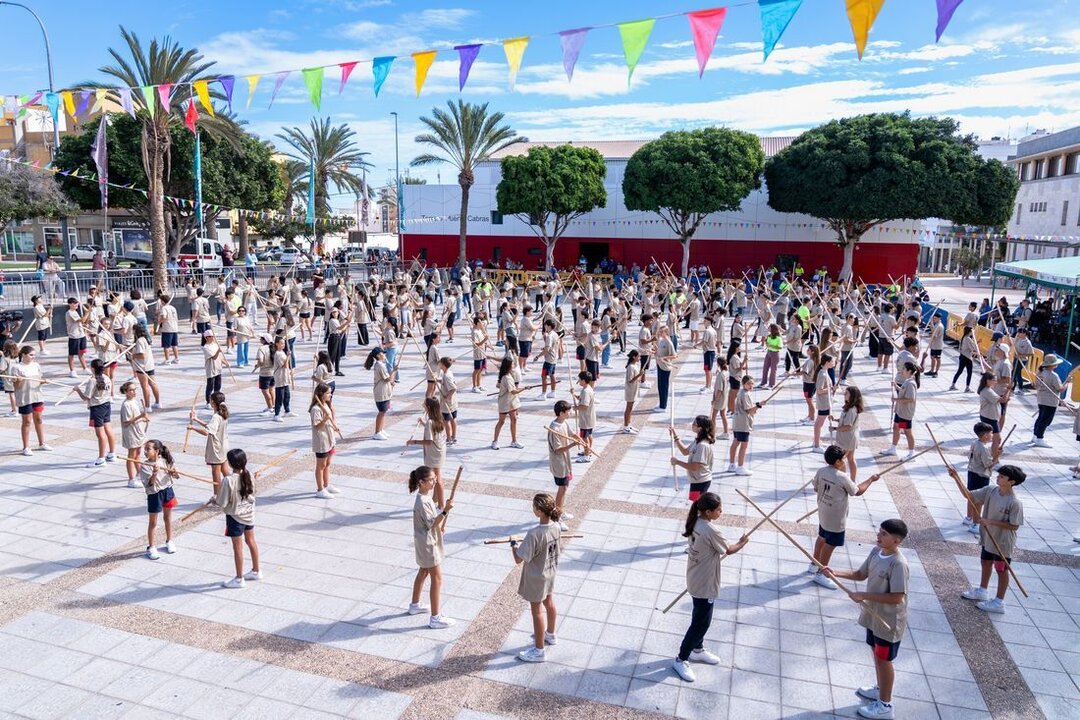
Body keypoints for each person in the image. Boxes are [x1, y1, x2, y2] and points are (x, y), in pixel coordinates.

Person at [822, 519, 910, 720]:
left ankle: (886, 705)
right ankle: (880, 689)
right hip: (873, 616)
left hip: (888, 621)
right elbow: (860, 574)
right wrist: (835, 571)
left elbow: (897, 597)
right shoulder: (875, 552)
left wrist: (863, 595)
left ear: (897, 541)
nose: (879, 536)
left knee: (884, 659)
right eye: (879, 532)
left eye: (884, 534)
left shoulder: (898, 564)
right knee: (875, 652)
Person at [671, 492, 749, 683]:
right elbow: (729, 549)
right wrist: (742, 542)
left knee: (699, 616)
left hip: (695, 576)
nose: (721, 512)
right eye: (719, 510)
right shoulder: (710, 530)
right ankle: (681, 658)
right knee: (701, 623)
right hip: (704, 582)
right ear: (708, 511)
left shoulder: (696, 521)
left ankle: (697, 649)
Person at [955, 465, 1026, 615]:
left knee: (1001, 569)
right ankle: (982, 590)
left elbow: (1014, 526)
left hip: (1002, 542)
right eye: (999, 475)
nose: (998, 477)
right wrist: (956, 478)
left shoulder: (1015, 502)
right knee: (985, 562)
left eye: (1002, 476)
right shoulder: (991, 490)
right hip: (988, 537)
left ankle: (999, 601)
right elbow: (968, 495)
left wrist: (991, 522)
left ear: (1011, 482)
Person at [810, 446, 880, 589]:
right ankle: (821, 573)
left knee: (822, 536)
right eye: (842, 459)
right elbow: (857, 491)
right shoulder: (842, 477)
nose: (844, 461)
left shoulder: (821, 471)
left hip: (823, 512)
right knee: (830, 544)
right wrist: (871, 480)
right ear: (837, 462)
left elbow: (815, 487)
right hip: (836, 518)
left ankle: (813, 563)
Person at [511, 493, 563, 663]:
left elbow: (519, 558)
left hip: (536, 576)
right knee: (549, 603)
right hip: (550, 572)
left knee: (537, 611)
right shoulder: (557, 527)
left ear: (539, 511)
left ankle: (539, 650)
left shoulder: (534, 533)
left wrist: (514, 545)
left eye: (534, 507)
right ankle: (551, 634)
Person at [407, 465, 456, 629]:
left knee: (424, 571)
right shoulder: (422, 501)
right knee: (437, 578)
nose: (434, 482)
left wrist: (440, 521)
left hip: (424, 540)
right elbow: (431, 523)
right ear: (421, 482)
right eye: (432, 480)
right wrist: (445, 512)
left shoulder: (425, 497)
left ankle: (414, 605)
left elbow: (432, 522)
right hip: (428, 543)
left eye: (435, 479)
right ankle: (435, 618)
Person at [214, 448, 261, 588]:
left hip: (235, 517)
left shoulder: (228, 480)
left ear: (230, 463)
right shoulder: (249, 475)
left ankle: (239, 578)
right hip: (249, 514)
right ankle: (256, 570)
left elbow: (222, 502)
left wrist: (214, 499)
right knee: (251, 541)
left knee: (238, 547)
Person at [139, 439, 180, 560]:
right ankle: (151, 547)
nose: (145, 451)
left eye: (148, 449)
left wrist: (175, 472)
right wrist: (155, 473)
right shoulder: (145, 466)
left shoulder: (165, 461)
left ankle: (169, 541)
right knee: (153, 522)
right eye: (145, 449)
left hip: (167, 490)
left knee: (168, 518)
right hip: (155, 494)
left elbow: (176, 476)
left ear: (157, 451)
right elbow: (149, 484)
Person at [407, 398, 447, 507]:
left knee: (437, 478)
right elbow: (433, 431)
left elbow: (429, 441)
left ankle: (441, 505)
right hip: (440, 450)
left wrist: (414, 442)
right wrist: (423, 423)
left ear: (428, 407)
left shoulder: (430, 422)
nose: (423, 405)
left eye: (424, 405)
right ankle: (435, 500)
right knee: (436, 476)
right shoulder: (438, 418)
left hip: (433, 452)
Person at [12, 345, 51, 455]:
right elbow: (16, 386)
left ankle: (42, 443)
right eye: (31, 355)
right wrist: (18, 380)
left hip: (37, 396)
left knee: (39, 419)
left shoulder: (36, 365)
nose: (33, 357)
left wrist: (44, 381)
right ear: (23, 354)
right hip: (25, 397)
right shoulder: (17, 367)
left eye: (34, 355)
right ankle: (26, 447)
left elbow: (38, 380)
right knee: (27, 421)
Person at [546, 401, 578, 531]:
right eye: (568, 411)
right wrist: (572, 445)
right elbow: (557, 450)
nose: (570, 413)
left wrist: (579, 438)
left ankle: (560, 511)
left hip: (565, 461)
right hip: (559, 463)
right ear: (561, 413)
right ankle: (556, 517)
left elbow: (570, 433)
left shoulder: (563, 422)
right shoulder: (554, 428)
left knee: (565, 487)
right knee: (562, 488)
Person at [189, 391, 230, 486]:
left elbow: (207, 432)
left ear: (213, 402)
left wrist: (192, 428)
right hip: (223, 445)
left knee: (216, 476)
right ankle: (234, 488)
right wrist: (196, 419)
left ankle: (217, 497)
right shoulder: (223, 413)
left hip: (216, 448)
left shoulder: (216, 416)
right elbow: (211, 427)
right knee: (225, 471)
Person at [670, 416, 715, 501]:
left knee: (697, 505)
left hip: (701, 481)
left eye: (694, 424)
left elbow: (694, 467)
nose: (692, 425)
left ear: (700, 428)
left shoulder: (702, 446)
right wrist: (675, 436)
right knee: (695, 503)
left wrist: (677, 462)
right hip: (696, 480)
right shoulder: (697, 441)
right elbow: (685, 451)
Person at [728, 375, 764, 476]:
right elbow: (748, 410)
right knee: (744, 445)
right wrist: (758, 406)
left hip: (737, 421)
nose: (751, 385)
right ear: (743, 384)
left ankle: (732, 465)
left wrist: (757, 404)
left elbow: (748, 407)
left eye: (752, 383)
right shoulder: (745, 395)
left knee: (736, 442)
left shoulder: (742, 392)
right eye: (748, 384)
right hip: (743, 423)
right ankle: (740, 467)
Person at [309, 382, 339, 498]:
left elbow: (331, 418)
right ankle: (320, 489)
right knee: (320, 465)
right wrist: (325, 419)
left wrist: (334, 425)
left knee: (328, 463)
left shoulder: (326, 404)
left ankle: (326, 484)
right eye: (328, 393)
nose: (330, 395)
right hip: (322, 440)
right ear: (321, 394)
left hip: (330, 439)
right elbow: (317, 426)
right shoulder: (316, 409)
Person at [882, 362, 918, 458]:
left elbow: (911, 399)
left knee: (907, 431)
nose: (902, 371)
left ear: (909, 371)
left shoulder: (911, 383)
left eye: (904, 369)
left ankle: (911, 452)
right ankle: (893, 448)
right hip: (900, 412)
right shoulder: (907, 381)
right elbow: (903, 391)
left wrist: (896, 399)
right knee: (896, 427)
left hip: (905, 414)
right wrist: (896, 387)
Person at [119, 381, 149, 488]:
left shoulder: (134, 401)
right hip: (131, 432)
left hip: (138, 430)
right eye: (131, 390)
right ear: (126, 392)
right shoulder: (126, 405)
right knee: (131, 455)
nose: (134, 392)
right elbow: (126, 422)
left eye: (134, 389)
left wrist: (144, 418)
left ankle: (140, 474)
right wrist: (141, 416)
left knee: (138, 453)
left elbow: (137, 416)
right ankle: (131, 479)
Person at [491, 356, 525, 450]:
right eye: (512, 364)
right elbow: (513, 391)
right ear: (509, 366)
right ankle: (495, 441)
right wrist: (524, 388)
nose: (513, 365)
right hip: (504, 402)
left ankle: (514, 441)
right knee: (501, 421)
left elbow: (501, 386)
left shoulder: (508, 375)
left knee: (514, 420)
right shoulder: (506, 377)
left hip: (512, 402)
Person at [1032, 354, 1065, 448]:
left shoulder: (1040, 373)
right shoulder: (1053, 375)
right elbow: (1060, 388)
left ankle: (1035, 435)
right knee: (1046, 420)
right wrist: (1066, 383)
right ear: (1053, 365)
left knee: (1041, 418)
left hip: (1041, 398)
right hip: (1050, 400)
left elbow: (1036, 385)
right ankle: (1039, 438)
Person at [835, 386, 866, 480]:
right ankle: (851, 479)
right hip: (848, 438)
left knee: (841, 459)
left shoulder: (852, 409)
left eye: (846, 393)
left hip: (848, 439)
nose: (844, 395)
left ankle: (845, 479)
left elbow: (848, 426)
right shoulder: (849, 407)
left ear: (852, 396)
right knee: (849, 459)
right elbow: (845, 420)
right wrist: (836, 419)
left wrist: (835, 428)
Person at [365, 346, 393, 440]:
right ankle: (377, 432)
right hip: (381, 392)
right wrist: (395, 370)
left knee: (384, 412)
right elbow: (387, 378)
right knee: (381, 412)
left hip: (384, 390)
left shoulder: (381, 364)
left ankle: (381, 429)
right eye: (382, 353)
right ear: (378, 355)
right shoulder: (380, 365)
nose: (384, 355)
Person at [811, 354, 836, 452]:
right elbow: (819, 390)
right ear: (827, 362)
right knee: (819, 423)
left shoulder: (825, 371)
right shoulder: (822, 374)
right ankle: (816, 445)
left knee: (819, 423)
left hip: (826, 401)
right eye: (832, 361)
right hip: (823, 402)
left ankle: (816, 441)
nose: (834, 363)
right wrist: (831, 388)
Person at [271, 335, 294, 422]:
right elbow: (284, 365)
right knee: (280, 396)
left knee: (287, 395)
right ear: (277, 344)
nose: (283, 345)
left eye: (284, 343)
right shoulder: (278, 354)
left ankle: (287, 410)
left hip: (285, 376)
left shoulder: (282, 352)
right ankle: (276, 414)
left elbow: (287, 365)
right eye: (281, 343)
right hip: (280, 377)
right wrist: (288, 356)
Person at [437, 356, 459, 445]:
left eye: (440, 363)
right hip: (453, 401)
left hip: (448, 403)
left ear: (443, 365)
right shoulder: (448, 373)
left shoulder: (446, 376)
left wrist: (446, 397)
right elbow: (451, 383)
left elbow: (453, 388)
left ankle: (449, 438)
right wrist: (439, 380)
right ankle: (454, 437)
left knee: (446, 421)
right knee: (453, 418)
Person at [949, 326, 978, 392]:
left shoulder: (963, 338)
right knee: (969, 373)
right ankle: (967, 387)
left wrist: (977, 342)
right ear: (970, 332)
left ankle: (953, 384)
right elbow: (972, 348)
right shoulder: (968, 339)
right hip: (967, 357)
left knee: (959, 371)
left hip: (962, 356)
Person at [201, 330, 224, 408]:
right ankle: (208, 402)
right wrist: (218, 351)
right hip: (211, 368)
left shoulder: (215, 344)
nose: (214, 338)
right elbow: (214, 357)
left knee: (218, 385)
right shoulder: (205, 347)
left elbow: (220, 356)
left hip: (218, 368)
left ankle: (217, 400)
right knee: (210, 386)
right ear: (207, 337)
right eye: (212, 336)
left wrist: (225, 362)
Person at [622, 350, 644, 434]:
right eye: (638, 356)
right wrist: (639, 375)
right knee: (629, 407)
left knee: (631, 407)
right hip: (630, 390)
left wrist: (640, 376)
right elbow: (630, 380)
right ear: (634, 357)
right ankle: (626, 426)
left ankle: (628, 424)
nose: (640, 358)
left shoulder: (635, 365)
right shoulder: (630, 367)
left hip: (634, 389)